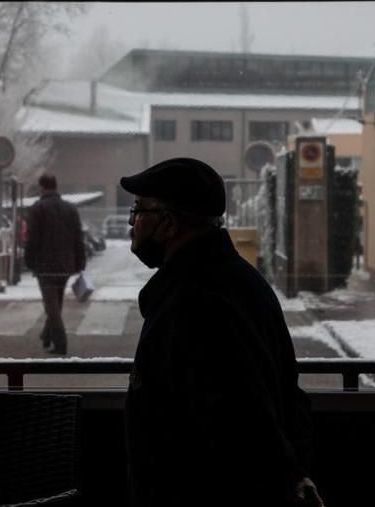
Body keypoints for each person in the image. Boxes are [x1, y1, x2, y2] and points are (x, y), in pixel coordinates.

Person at [120, 157, 324, 507]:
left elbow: (241, 413)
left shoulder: (196, 301)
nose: (132, 222)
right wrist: (294, 470)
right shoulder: (241, 281)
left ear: (169, 224)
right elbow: (288, 395)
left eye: (140, 210)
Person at [24, 174, 86, 355]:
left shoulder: (37, 209)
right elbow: (78, 237)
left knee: (51, 307)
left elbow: (32, 239)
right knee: (55, 304)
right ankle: (47, 335)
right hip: (66, 265)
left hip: (45, 267)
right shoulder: (70, 209)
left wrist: (29, 261)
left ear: (42, 187)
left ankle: (60, 343)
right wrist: (80, 261)